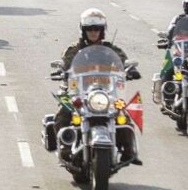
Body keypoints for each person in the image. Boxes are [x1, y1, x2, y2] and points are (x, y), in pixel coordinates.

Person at [51, 9, 141, 164]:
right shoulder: (73, 50)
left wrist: (130, 70)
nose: (93, 32)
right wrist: (61, 70)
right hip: (76, 91)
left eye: (97, 29)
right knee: (63, 113)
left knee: (122, 115)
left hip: (106, 92)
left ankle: (128, 151)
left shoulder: (111, 49)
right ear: (83, 30)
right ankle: (65, 146)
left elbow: (123, 63)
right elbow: (64, 63)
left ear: (102, 31)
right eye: (89, 29)